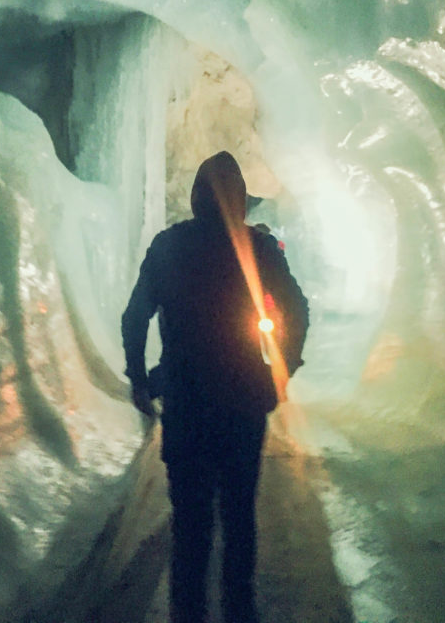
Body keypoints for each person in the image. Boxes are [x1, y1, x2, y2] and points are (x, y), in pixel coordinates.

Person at [122, 151, 309, 623]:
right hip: (244, 404)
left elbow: (135, 316)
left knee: (191, 526)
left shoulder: (169, 246)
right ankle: (238, 611)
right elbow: (297, 309)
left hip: (185, 405)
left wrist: (139, 379)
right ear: (240, 201)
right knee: (239, 519)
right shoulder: (259, 248)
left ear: (195, 199)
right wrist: (283, 367)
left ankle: (188, 612)